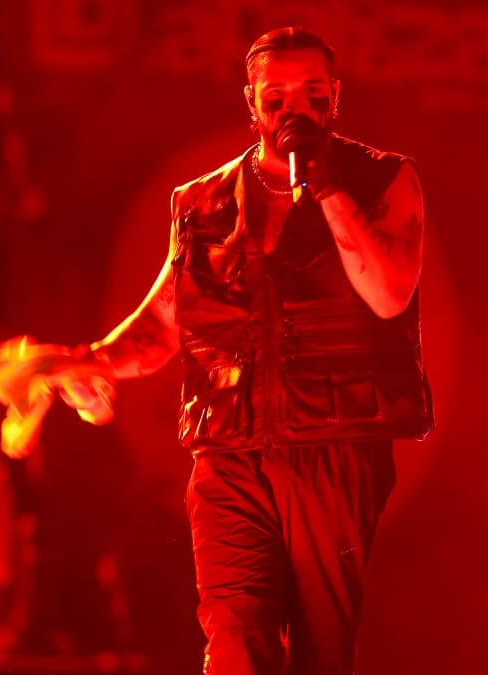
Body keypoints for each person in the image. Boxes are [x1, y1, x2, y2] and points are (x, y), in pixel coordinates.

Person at [78, 27, 435, 675]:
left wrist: (327, 186)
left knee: (322, 651)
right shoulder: (202, 203)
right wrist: (91, 364)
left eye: (312, 93)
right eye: (277, 95)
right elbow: (163, 322)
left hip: (334, 445)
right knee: (234, 641)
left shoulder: (384, 178)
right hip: (228, 451)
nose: (294, 108)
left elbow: (388, 295)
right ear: (252, 101)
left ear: (335, 96)